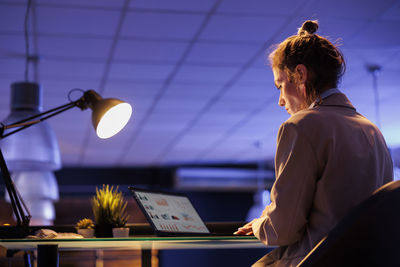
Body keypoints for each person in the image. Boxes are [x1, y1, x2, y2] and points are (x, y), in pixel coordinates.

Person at [233, 20, 393, 266]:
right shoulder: (372, 131)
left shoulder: (300, 126)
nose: (280, 101)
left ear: (300, 74)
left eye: (280, 85)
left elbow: (283, 228)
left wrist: (258, 224)